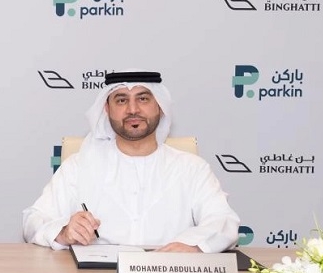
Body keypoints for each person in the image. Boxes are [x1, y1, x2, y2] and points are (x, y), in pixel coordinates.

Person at [22, 69, 239, 253]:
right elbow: (33, 220)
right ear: (107, 109)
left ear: (160, 106)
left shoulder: (192, 168)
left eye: (143, 99)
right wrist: (64, 232)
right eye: (121, 100)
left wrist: (193, 246)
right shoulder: (78, 167)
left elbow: (223, 220)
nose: (133, 109)